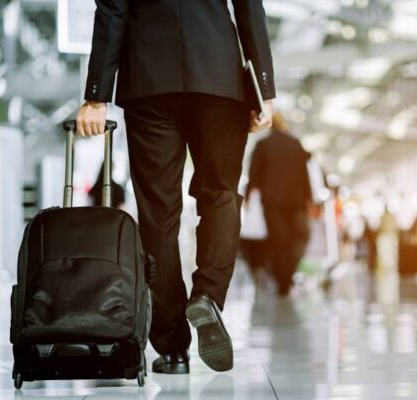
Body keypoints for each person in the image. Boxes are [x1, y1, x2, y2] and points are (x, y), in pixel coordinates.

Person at [75, 0, 275, 374]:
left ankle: (171, 348)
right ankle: (207, 295)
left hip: (149, 81)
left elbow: (114, 9)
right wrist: (263, 86)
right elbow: (249, 6)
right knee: (220, 194)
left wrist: (97, 95)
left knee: (158, 213)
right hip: (218, 76)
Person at [247, 113, 311, 296]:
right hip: (295, 201)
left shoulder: (263, 145)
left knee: (277, 240)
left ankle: (281, 279)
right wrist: (308, 197)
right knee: (292, 239)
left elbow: (254, 172)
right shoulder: (295, 144)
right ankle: (288, 276)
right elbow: (304, 173)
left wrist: (250, 196)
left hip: (272, 200)